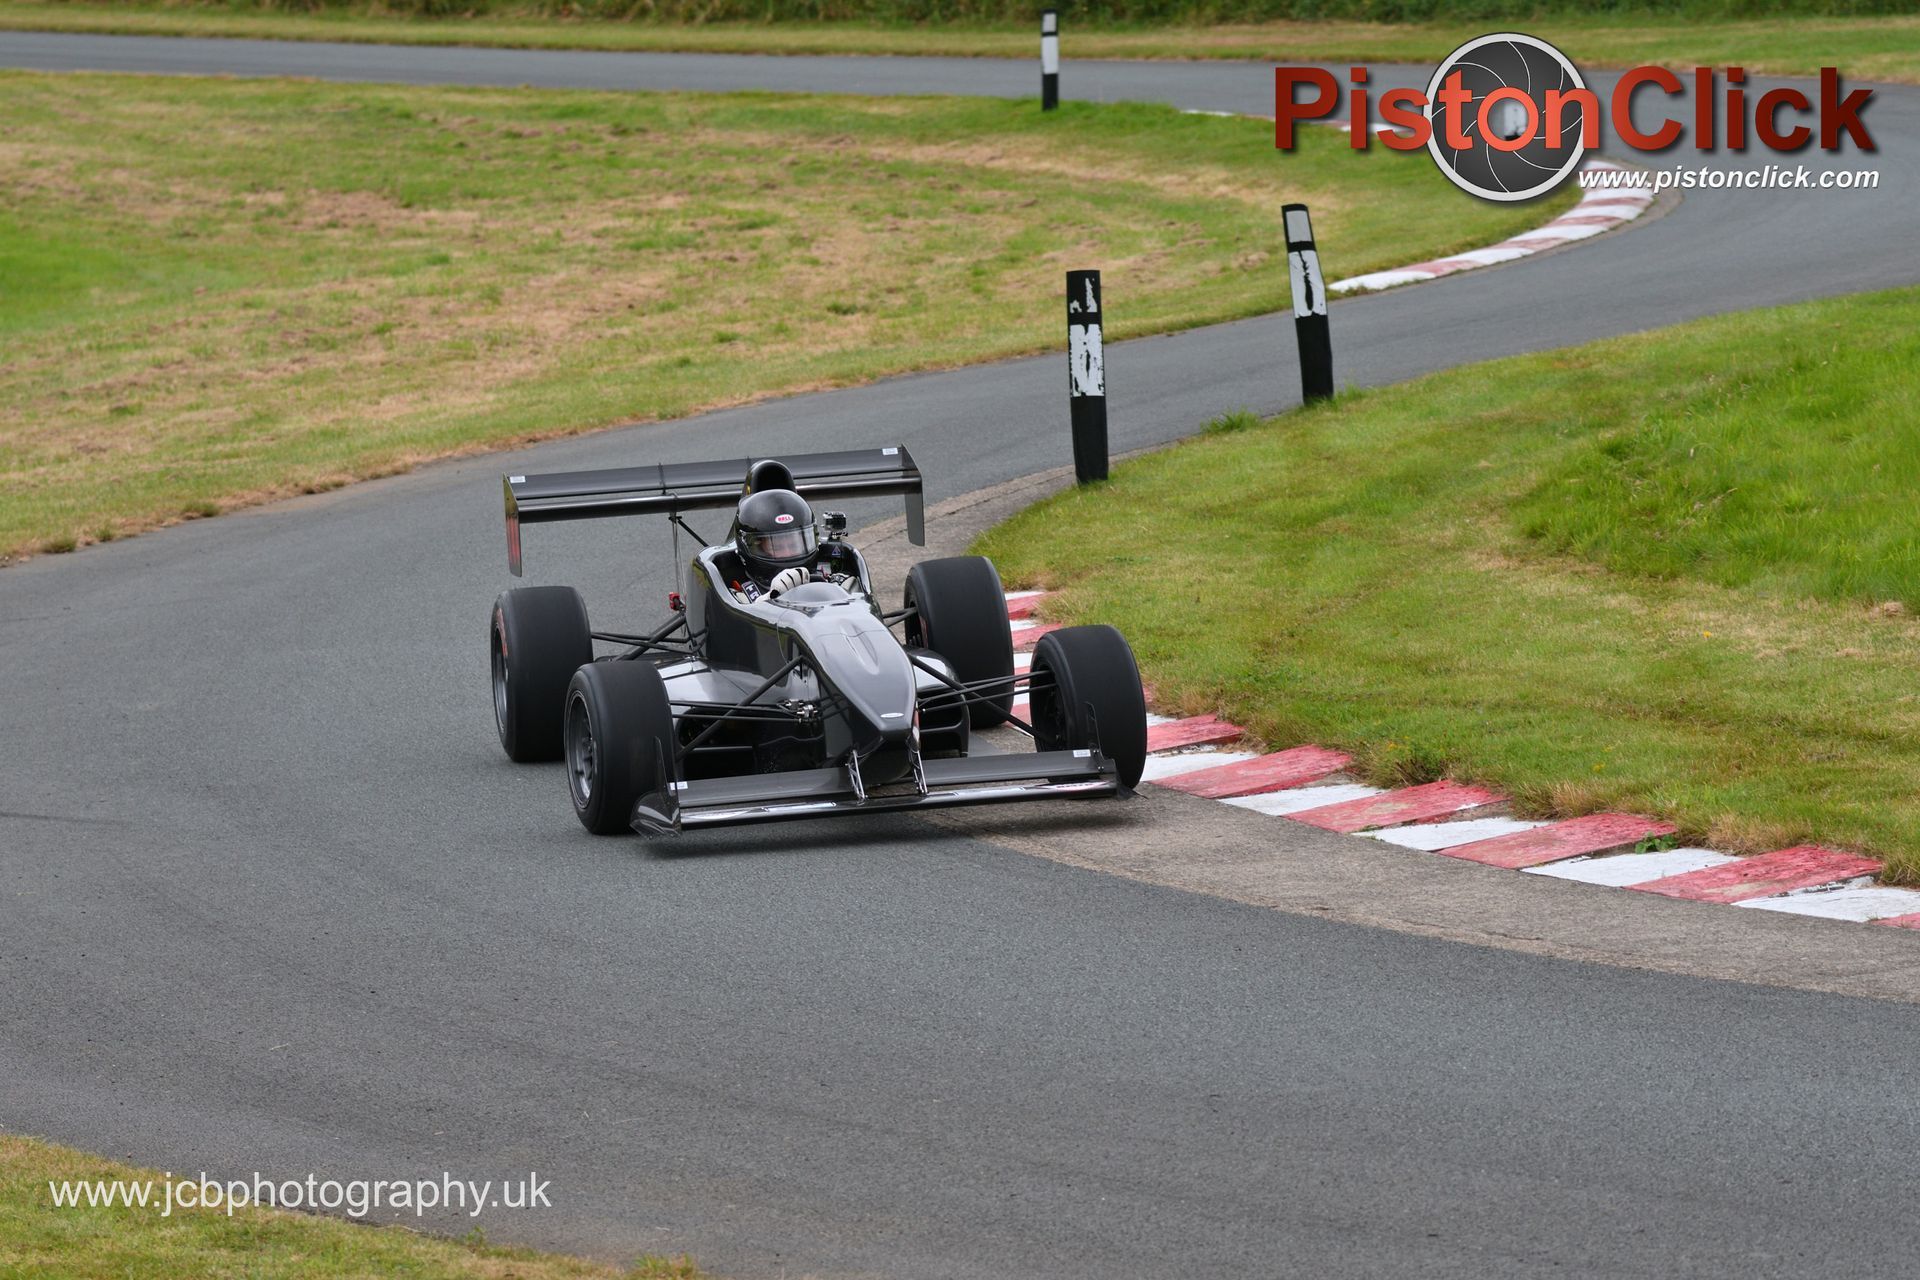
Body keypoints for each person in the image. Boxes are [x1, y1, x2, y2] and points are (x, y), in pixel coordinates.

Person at [729, 488, 821, 603]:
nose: (788, 553)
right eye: (777, 547)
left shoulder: (830, 578)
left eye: (794, 545)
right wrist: (770, 598)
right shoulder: (742, 598)